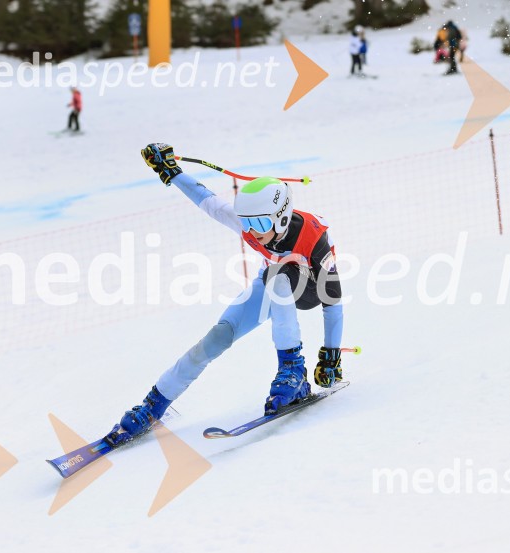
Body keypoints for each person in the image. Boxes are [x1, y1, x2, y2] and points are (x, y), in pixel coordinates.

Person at [109, 143, 345, 444]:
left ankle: (292, 370)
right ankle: (154, 405)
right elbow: (207, 201)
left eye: (259, 222)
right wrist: (171, 172)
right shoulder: (251, 226)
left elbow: (332, 302)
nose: (252, 230)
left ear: (281, 217)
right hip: (274, 284)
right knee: (217, 337)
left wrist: (331, 356)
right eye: (247, 222)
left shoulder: (313, 237)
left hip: (307, 290)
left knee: (278, 275)